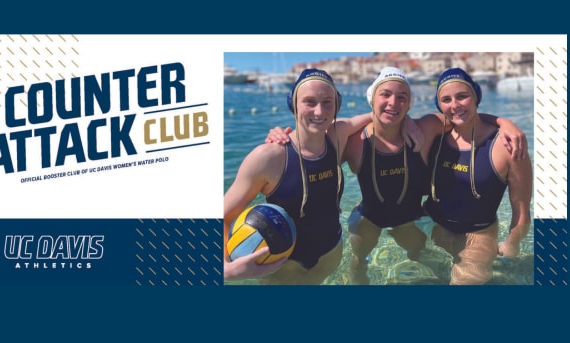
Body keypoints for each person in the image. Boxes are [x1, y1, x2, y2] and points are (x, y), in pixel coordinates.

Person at [266, 67, 528, 285]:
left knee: (421, 256)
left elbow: (462, 117)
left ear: (409, 103)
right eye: (386, 95)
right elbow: (309, 150)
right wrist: (281, 138)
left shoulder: (425, 129)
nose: (393, 102)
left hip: (411, 221)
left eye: (402, 96)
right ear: (373, 99)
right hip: (368, 219)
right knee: (358, 263)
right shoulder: (354, 141)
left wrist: (504, 122)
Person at [223, 68, 375, 285]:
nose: (319, 111)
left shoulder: (337, 137)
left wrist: (406, 123)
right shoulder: (269, 157)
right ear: (293, 105)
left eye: (327, 102)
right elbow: (224, 215)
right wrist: (226, 268)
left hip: (330, 256)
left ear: (337, 106)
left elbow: (377, 116)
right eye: (309, 102)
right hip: (283, 270)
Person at [423, 67, 533, 285]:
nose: (454, 105)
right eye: (446, 99)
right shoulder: (436, 132)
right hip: (432, 226)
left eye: (462, 96)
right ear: (439, 105)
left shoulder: (507, 145)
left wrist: (513, 242)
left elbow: (521, 209)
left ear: (476, 96)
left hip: (478, 235)